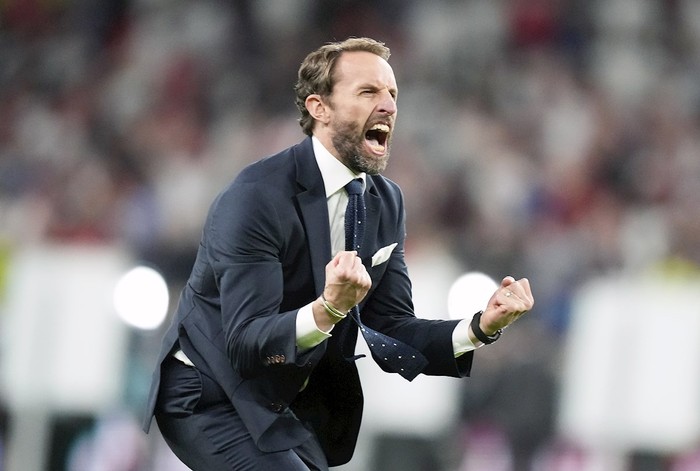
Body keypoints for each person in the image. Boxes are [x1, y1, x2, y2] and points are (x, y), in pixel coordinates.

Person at [142, 36, 534, 470]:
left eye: (392, 94)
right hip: (208, 390)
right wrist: (329, 309)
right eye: (368, 91)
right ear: (318, 108)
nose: (388, 105)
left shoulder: (386, 202)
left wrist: (480, 327)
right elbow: (246, 342)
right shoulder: (256, 197)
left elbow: (393, 328)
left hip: (281, 401)